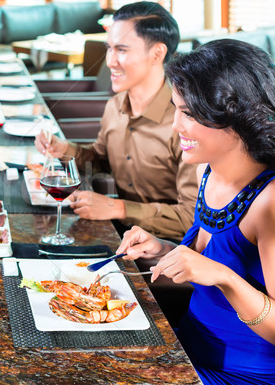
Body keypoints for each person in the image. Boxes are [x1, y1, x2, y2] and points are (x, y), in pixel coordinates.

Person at [117, 39, 275, 384]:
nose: (176, 125)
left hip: (234, 374)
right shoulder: (211, 170)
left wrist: (225, 278)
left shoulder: (270, 201)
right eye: (176, 109)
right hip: (184, 350)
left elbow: (219, 272)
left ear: (234, 115)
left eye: (188, 112)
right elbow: (205, 263)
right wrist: (163, 249)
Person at [35, 1, 198, 241]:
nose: (110, 61)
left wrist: (118, 208)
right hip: (118, 234)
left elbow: (192, 218)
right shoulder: (115, 105)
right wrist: (65, 149)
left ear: (157, 53)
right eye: (109, 48)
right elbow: (100, 159)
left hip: (165, 252)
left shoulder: (186, 123)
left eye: (121, 50)